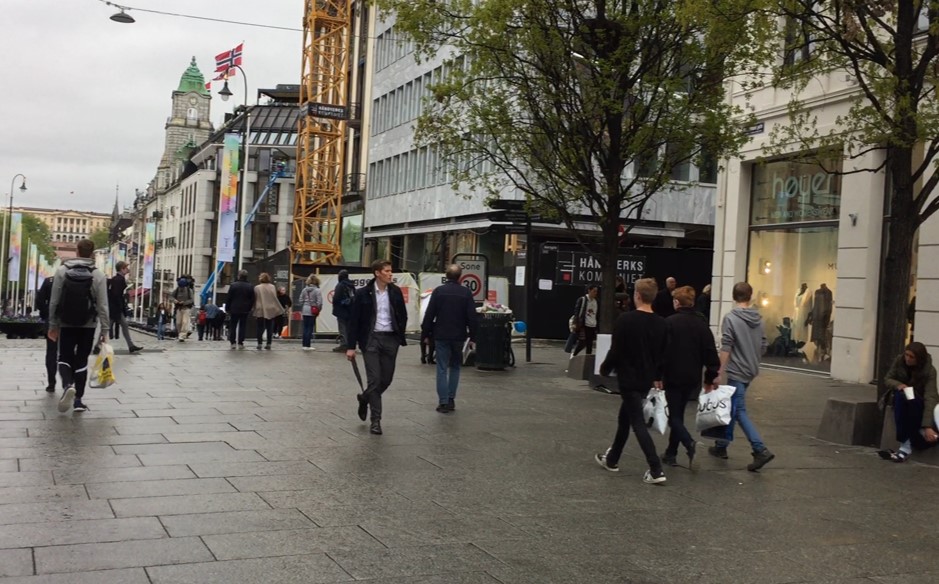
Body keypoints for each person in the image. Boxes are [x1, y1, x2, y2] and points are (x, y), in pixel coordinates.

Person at [595, 278, 668, 484]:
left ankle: (656, 469)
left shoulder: (625, 320)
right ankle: (612, 458)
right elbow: (663, 355)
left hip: (628, 376)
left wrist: (605, 367)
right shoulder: (661, 323)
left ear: (637, 295)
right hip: (646, 379)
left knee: (637, 422)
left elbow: (616, 349)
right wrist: (658, 377)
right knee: (625, 418)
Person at [708, 281, 774, 471]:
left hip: (737, 369)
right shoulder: (759, 319)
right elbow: (763, 345)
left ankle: (760, 449)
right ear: (750, 296)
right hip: (751, 369)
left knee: (738, 411)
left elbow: (726, 346)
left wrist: (718, 371)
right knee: (733, 406)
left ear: (733, 296)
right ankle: (721, 445)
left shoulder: (731, 318)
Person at [346, 260, 408, 435]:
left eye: (391, 271)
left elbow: (402, 315)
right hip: (371, 339)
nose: (390, 274)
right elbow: (354, 321)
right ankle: (376, 421)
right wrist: (351, 347)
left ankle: (365, 397)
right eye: (387, 271)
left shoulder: (395, 292)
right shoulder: (363, 294)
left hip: (390, 339)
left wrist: (398, 335)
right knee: (374, 379)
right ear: (377, 273)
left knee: (386, 379)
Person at [47, 238, 109, 413]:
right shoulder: (98, 275)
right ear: (92, 253)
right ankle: (78, 400)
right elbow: (103, 305)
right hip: (88, 324)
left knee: (64, 357)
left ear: (76, 251)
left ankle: (67, 385)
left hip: (66, 322)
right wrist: (105, 330)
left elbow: (54, 301)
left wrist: (52, 324)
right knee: (82, 359)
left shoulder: (61, 271)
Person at [662, 286, 720, 468]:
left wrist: (656, 373)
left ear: (677, 303)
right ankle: (671, 453)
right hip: (692, 377)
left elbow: (661, 351)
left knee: (673, 417)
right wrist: (710, 378)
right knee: (678, 413)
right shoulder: (701, 325)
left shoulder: (669, 322)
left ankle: (689, 444)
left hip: (672, 375)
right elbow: (711, 355)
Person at [421, 264, 478, 413]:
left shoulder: (439, 292)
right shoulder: (466, 293)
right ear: (460, 276)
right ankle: (451, 398)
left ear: (446, 276)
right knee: (455, 366)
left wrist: (425, 334)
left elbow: (429, 314)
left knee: (441, 368)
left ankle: (443, 401)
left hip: (441, 334)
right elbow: (472, 316)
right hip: (459, 335)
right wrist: (473, 335)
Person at [878, 342, 939, 462]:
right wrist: (899, 385)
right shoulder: (899, 361)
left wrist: (927, 425)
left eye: (911, 357)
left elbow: (930, 396)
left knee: (909, 405)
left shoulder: (929, 370)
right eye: (906, 355)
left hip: (917, 400)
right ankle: (905, 444)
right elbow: (888, 379)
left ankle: (906, 446)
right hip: (900, 396)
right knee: (901, 399)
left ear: (919, 359)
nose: (907, 359)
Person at [107, 261, 143, 354]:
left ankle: (131, 346)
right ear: (122, 269)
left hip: (115, 308)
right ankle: (96, 346)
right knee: (107, 327)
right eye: (126, 268)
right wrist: (119, 306)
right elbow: (116, 294)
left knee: (123, 325)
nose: (128, 269)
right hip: (115, 309)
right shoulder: (119, 280)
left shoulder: (117, 279)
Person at [35, 275, 58, 392]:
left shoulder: (50, 281)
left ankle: (51, 382)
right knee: (69, 352)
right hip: (70, 322)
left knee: (51, 352)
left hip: (52, 320)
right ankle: (69, 382)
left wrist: (46, 313)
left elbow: (39, 299)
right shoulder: (76, 279)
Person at [227, 269, 255, 349]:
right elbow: (252, 299)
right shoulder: (250, 286)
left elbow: (229, 298)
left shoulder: (233, 285)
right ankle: (240, 342)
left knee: (233, 325)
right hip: (245, 309)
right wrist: (249, 307)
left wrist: (227, 308)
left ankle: (232, 342)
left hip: (234, 308)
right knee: (243, 326)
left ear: (239, 276)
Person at [253, 273, 282, 350]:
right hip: (270, 308)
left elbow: (255, 298)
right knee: (269, 327)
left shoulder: (257, 287)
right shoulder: (272, 287)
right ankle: (269, 343)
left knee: (260, 327)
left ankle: (259, 343)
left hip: (260, 308)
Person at [332, 270, 355, 352]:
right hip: (350, 309)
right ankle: (350, 344)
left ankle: (344, 344)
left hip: (341, 310)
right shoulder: (351, 285)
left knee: (342, 328)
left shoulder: (340, 285)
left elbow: (336, 298)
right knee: (349, 328)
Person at [572, 285, 599, 356]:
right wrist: (576, 322)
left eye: (596, 291)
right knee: (582, 342)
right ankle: (574, 354)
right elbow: (577, 311)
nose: (595, 293)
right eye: (594, 291)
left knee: (590, 344)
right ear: (589, 291)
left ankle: (587, 359)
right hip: (584, 324)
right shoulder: (582, 300)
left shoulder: (596, 301)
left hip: (592, 324)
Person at [298, 274, 323, 351]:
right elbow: (319, 302)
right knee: (310, 328)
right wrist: (318, 309)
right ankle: (308, 345)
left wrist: (304, 305)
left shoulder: (304, 290)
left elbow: (300, 300)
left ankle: (304, 344)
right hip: (312, 310)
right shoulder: (317, 290)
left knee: (305, 327)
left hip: (305, 310)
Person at [172, 276, 195, 342]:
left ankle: (182, 335)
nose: (181, 288)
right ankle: (180, 333)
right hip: (179, 308)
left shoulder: (189, 290)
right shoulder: (176, 290)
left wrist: (184, 302)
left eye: (182, 287)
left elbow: (191, 300)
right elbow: (171, 296)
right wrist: (175, 300)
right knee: (178, 322)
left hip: (186, 308)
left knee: (185, 322)